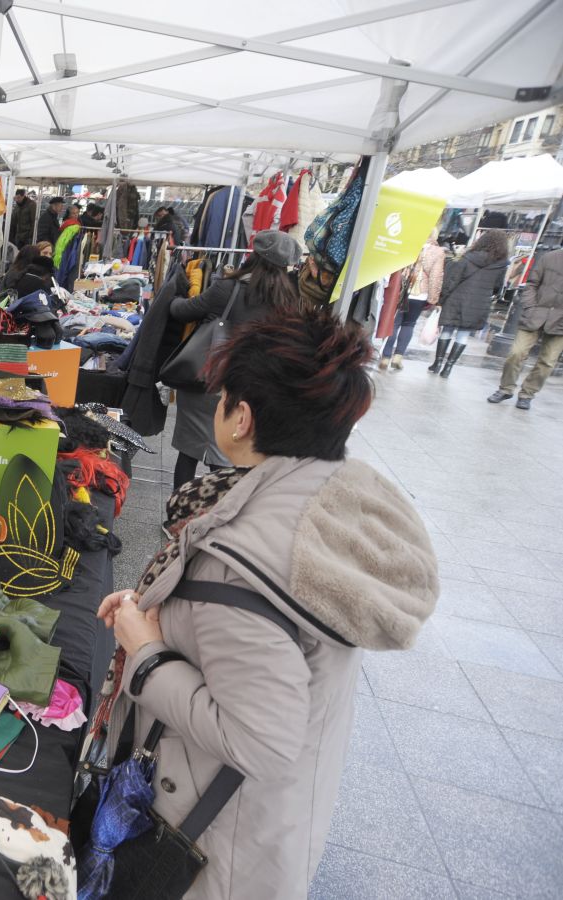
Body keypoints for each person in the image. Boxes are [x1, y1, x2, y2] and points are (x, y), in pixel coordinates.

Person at [87, 304, 437, 900]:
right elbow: (259, 644)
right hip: (269, 824)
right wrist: (162, 613)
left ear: (241, 417)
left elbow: (263, 741)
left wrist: (146, 655)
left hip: (209, 846)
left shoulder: (241, 559)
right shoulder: (327, 501)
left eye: (222, 396)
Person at [168, 230, 302, 489]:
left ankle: (177, 516)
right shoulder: (289, 302)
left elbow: (182, 311)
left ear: (253, 257)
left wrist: (172, 297)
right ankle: (217, 515)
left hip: (207, 380)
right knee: (225, 454)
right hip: (248, 389)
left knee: (189, 450)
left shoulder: (227, 288)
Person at [489, 246, 563, 409]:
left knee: (548, 362)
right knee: (516, 353)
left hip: (560, 323)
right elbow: (531, 284)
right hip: (535, 315)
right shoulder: (550, 257)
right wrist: (530, 307)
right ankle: (505, 389)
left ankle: (527, 394)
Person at [428, 230, 510, 377]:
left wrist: (442, 298)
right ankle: (448, 368)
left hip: (457, 299)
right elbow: (498, 287)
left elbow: (453, 280)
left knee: (447, 330)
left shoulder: (468, 257)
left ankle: (437, 363)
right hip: (479, 303)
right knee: (463, 335)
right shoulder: (501, 264)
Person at [379, 235, 444, 371]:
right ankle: (398, 357)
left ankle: (385, 357)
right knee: (409, 325)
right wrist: (433, 299)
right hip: (420, 294)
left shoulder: (407, 244)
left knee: (394, 323)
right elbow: (436, 276)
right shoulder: (437, 252)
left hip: (400, 290)